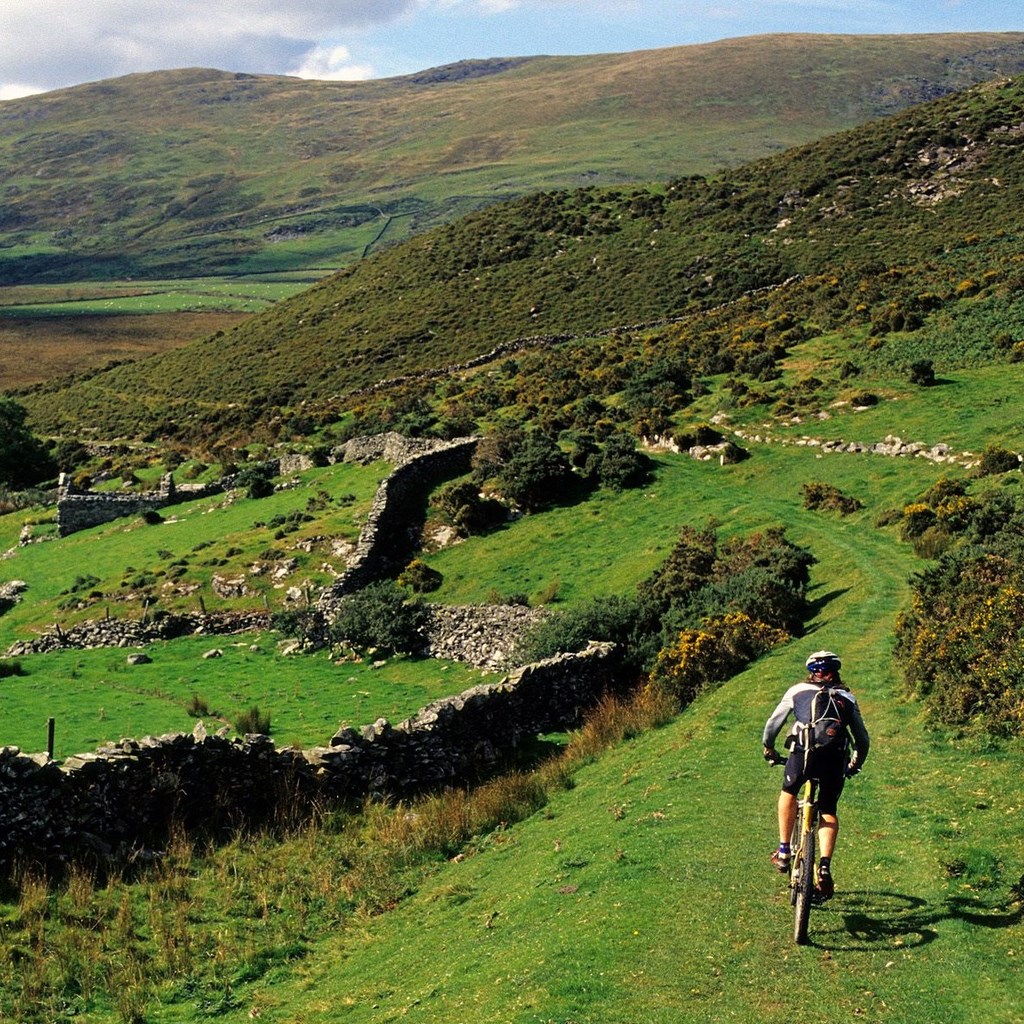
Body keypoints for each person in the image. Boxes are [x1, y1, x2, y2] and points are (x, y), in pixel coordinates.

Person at [761, 650, 869, 900]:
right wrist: (855, 763)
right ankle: (824, 868)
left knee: (789, 792)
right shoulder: (847, 698)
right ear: (836, 672)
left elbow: (773, 724)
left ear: (811, 673)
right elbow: (862, 739)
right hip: (835, 759)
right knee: (828, 810)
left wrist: (769, 748)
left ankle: (784, 851)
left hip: (803, 755)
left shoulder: (797, 691)